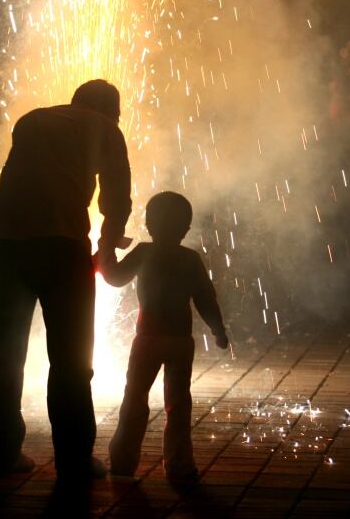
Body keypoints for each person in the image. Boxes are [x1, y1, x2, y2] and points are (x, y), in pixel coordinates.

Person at [0, 79, 132, 479]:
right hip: (62, 244)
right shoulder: (106, 128)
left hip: (9, 241)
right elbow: (116, 198)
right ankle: (74, 460)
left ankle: (2, 454)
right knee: (72, 359)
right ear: (112, 110)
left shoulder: (33, 119)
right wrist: (107, 247)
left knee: (5, 352)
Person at [97, 190, 228, 482]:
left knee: (134, 398)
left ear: (148, 225)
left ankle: (122, 461)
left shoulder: (144, 252)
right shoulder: (190, 259)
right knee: (178, 403)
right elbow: (206, 298)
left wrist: (106, 252)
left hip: (147, 338)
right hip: (180, 340)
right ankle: (180, 465)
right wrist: (217, 328)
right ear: (186, 228)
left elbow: (116, 278)